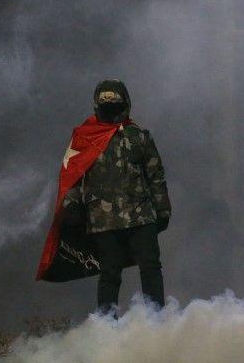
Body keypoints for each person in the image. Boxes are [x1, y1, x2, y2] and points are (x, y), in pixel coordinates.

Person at [35, 79, 171, 315]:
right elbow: (72, 175)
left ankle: (157, 321)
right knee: (110, 273)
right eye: (105, 99)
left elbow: (155, 175)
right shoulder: (85, 138)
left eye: (114, 99)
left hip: (139, 216)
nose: (110, 104)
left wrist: (162, 210)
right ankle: (106, 328)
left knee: (150, 268)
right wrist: (71, 208)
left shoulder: (138, 136)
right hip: (104, 220)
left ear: (125, 102)